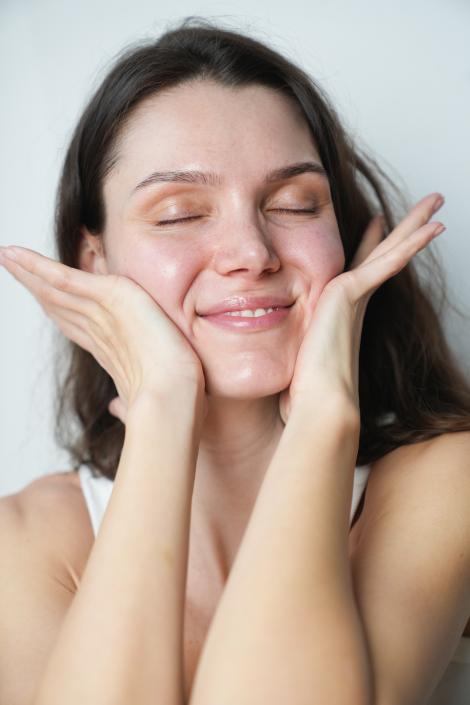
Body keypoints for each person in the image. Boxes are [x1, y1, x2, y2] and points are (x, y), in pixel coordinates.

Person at [1, 16, 469, 705]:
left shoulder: (446, 482)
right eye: (179, 213)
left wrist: (323, 415)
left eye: (295, 204)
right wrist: (162, 409)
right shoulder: (26, 543)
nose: (252, 252)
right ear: (94, 262)